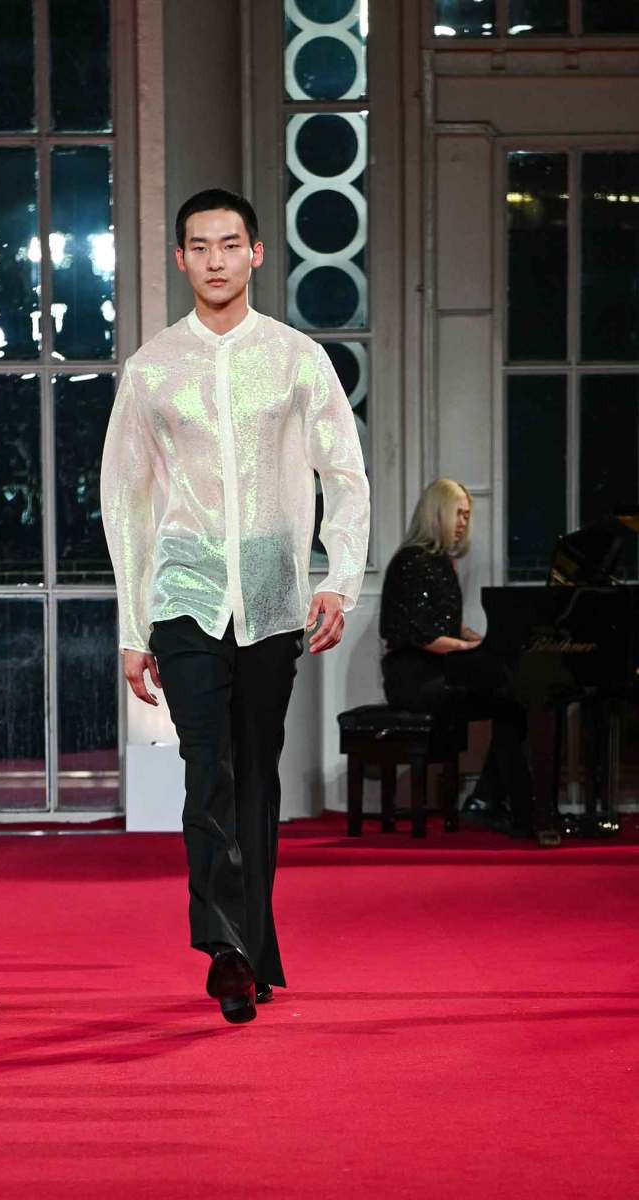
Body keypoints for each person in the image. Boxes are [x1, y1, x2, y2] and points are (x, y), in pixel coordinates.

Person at [101, 189, 370, 1024]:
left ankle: (253, 949)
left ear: (256, 253)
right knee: (206, 762)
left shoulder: (296, 358)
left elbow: (344, 473)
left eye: (229, 244)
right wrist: (134, 626)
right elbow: (126, 501)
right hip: (184, 593)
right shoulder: (151, 368)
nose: (214, 259)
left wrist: (340, 577)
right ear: (179, 258)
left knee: (255, 771)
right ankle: (224, 948)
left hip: (271, 595)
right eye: (199, 246)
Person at [379, 478, 534, 837]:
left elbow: (447, 623)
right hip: (413, 679)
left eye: (467, 515)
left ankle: (489, 800)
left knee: (514, 701)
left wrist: (480, 639)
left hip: (441, 672)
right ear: (437, 514)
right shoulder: (411, 561)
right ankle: (499, 804)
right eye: (458, 513)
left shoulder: (442, 562)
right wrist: (473, 649)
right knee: (509, 703)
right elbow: (422, 635)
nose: (464, 522)